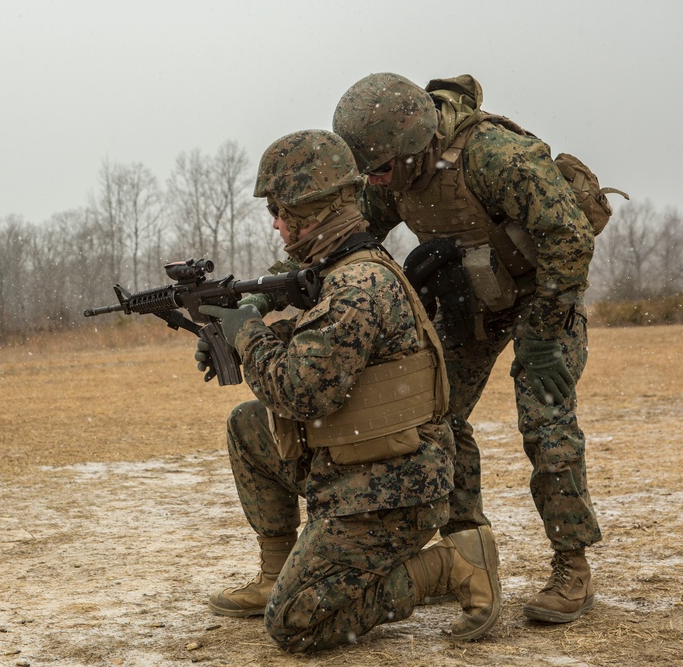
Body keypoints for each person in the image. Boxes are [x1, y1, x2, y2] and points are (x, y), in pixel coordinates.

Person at [196, 129, 501, 653]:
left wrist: (247, 333)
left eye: (280, 209)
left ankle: (451, 564)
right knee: (248, 424)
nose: (275, 223)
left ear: (312, 210)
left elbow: (298, 391)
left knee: (295, 625)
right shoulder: (344, 272)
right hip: (360, 464)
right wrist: (247, 334)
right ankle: (276, 573)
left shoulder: (356, 285)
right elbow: (328, 357)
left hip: (391, 490)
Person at [332, 73, 601, 623]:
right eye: (369, 173)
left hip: (545, 295)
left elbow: (569, 238)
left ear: (410, 150)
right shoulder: (392, 174)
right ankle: (466, 552)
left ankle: (572, 568)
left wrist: (547, 333)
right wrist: (278, 286)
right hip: (473, 302)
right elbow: (348, 234)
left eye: (379, 171)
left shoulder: (497, 156)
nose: (375, 183)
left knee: (546, 421)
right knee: (435, 417)